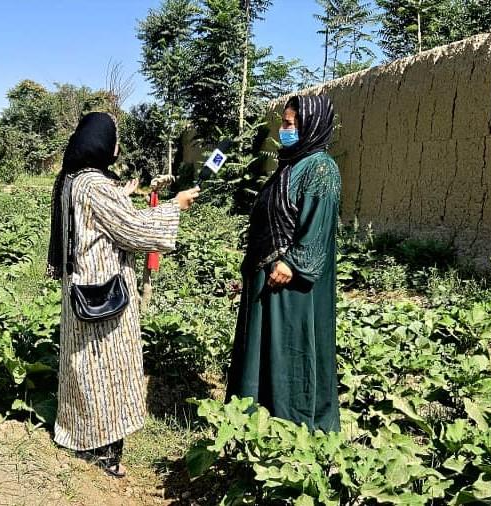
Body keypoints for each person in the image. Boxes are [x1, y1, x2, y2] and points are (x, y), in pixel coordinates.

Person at [46, 112, 199, 478]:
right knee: (105, 370)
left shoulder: (73, 180)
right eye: (114, 139)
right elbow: (135, 230)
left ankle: (82, 436)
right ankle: (102, 451)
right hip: (103, 294)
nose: (116, 147)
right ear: (100, 143)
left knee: (83, 369)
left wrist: (122, 194)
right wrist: (174, 207)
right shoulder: (95, 186)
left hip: (80, 289)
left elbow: (98, 218)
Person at [226, 95, 341, 433]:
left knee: (288, 350)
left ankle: (293, 426)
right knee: (261, 351)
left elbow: (317, 226)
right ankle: (253, 423)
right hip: (267, 275)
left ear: (310, 126)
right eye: (284, 123)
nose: (283, 130)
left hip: (290, 284)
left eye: (290, 124)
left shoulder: (321, 168)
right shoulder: (290, 164)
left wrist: (293, 262)